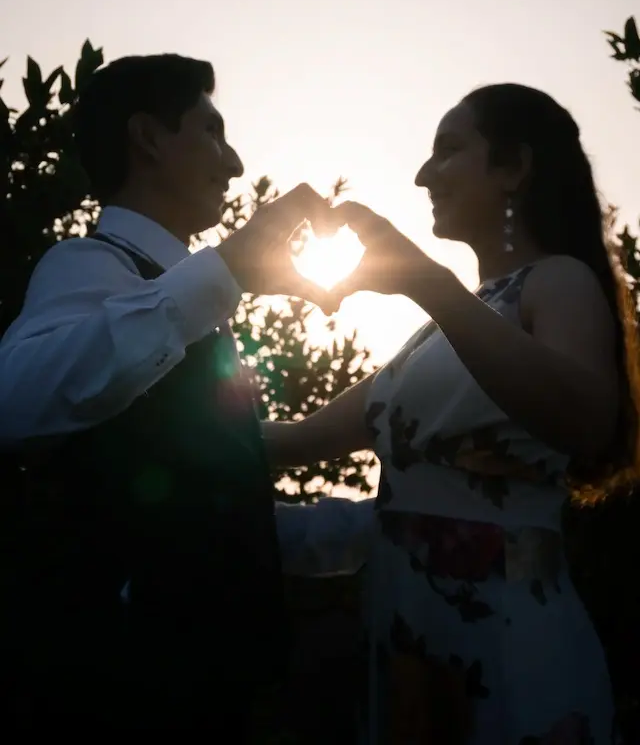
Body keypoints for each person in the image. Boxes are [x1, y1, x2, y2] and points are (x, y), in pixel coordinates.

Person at [264, 84, 639, 744]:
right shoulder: (439, 334)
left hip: (510, 646)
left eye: (448, 150)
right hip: (410, 651)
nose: (421, 174)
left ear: (514, 168)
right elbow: (292, 439)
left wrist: (423, 279)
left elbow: (586, 420)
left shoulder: (556, 282)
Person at [0, 53, 354, 733]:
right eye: (213, 133)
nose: (235, 163)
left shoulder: (191, 302)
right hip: (120, 691)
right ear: (150, 138)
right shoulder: (86, 265)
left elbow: (213, 508)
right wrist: (226, 268)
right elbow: (16, 400)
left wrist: (375, 519)